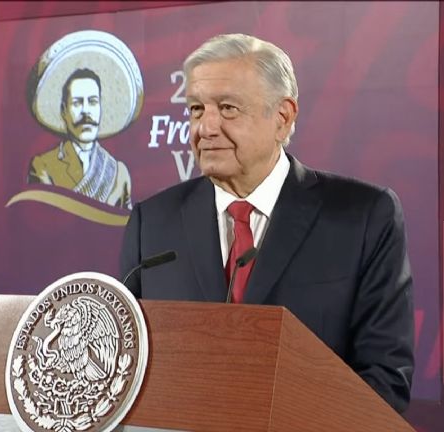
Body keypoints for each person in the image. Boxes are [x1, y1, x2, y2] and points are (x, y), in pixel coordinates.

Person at [119, 34, 414, 413]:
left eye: (227, 109)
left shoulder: (364, 217)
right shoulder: (152, 223)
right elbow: (126, 371)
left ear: (283, 117)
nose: (205, 128)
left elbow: (385, 379)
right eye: (196, 109)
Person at [28, 68, 132, 209]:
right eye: (77, 103)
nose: (86, 111)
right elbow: (44, 222)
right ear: (64, 111)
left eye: (93, 102)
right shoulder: (43, 166)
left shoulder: (118, 173)